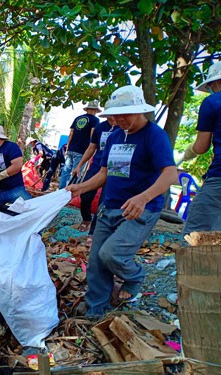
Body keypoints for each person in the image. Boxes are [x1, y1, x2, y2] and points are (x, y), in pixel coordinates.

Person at [66, 86, 177, 318]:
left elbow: (170, 174)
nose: (118, 120)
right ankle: (96, 311)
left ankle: (134, 276)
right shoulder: (115, 135)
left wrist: (144, 197)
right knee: (96, 263)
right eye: (114, 116)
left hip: (141, 209)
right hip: (110, 207)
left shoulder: (154, 136)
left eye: (123, 115)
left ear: (140, 111)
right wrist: (82, 187)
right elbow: (105, 173)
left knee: (111, 254)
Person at [182, 60, 221, 235]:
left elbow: (201, 146)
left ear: (217, 82)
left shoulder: (213, 102)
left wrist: (191, 150)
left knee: (196, 235)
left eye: (212, 85)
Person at [72, 100, 118, 235]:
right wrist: (79, 165)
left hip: (113, 170)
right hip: (96, 166)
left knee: (104, 202)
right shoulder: (100, 127)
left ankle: (93, 231)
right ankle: (86, 219)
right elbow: (91, 147)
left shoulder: (122, 129)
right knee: (85, 195)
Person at [58, 100, 101, 189]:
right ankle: (68, 193)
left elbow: (71, 133)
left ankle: (61, 190)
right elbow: (93, 135)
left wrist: (68, 147)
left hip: (71, 148)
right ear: (95, 110)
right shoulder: (95, 120)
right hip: (82, 150)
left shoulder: (78, 118)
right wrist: (92, 149)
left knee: (66, 171)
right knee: (76, 172)